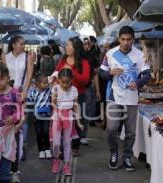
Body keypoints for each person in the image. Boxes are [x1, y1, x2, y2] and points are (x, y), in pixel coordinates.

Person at [99, 26, 151, 171]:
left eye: (129, 40)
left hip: (132, 99)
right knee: (111, 128)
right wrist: (110, 72)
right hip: (114, 97)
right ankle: (114, 153)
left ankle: (127, 157)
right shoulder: (110, 54)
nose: (126, 42)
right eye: (123, 39)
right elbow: (101, 73)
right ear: (119, 39)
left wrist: (138, 82)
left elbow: (147, 75)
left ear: (133, 40)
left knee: (130, 132)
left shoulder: (140, 55)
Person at [50, 37, 90, 157]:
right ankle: (62, 147)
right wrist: (53, 79)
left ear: (75, 48)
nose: (66, 48)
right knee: (62, 122)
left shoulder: (84, 62)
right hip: (62, 97)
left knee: (77, 122)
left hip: (78, 96)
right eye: (66, 46)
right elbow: (57, 73)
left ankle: (75, 146)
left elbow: (85, 79)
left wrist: (71, 72)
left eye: (69, 45)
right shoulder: (63, 60)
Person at [4, 35, 35, 183]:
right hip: (7, 95)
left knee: (19, 125)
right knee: (7, 127)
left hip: (21, 93)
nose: (23, 46)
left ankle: (16, 166)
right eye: (21, 44)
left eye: (24, 43)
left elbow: (30, 74)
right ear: (14, 45)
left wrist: (25, 90)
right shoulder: (5, 58)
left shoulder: (27, 57)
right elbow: (2, 77)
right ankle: (6, 166)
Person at [51, 69, 81, 175]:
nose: (64, 84)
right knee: (56, 143)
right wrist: (58, 112)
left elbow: (75, 105)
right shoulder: (55, 88)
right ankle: (56, 159)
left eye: (67, 82)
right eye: (62, 82)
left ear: (71, 80)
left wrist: (78, 121)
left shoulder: (74, 90)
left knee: (67, 142)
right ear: (59, 80)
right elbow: (53, 103)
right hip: (57, 117)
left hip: (68, 117)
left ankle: (66, 165)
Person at [28, 74, 52, 159]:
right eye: (44, 83)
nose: (46, 84)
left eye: (47, 83)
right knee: (39, 134)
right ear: (38, 84)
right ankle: (41, 150)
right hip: (36, 116)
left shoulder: (49, 91)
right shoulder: (33, 92)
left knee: (45, 132)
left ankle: (47, 149)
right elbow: (29, 102)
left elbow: (53, 99)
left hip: (46, 116)